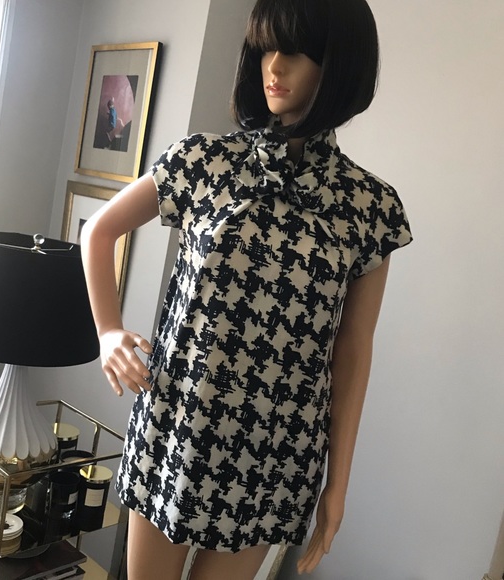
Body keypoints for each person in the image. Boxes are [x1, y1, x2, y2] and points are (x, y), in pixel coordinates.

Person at [80, 0, 413, 578]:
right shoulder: (204, 162)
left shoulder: (370, 208)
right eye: (266, 47)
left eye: (296, 50)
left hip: (276, 450)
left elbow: (354, 349)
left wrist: (338, 483)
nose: (274, 66)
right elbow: (99, 231)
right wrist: (108, 332)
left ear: (340, 64)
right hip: (177, 421)